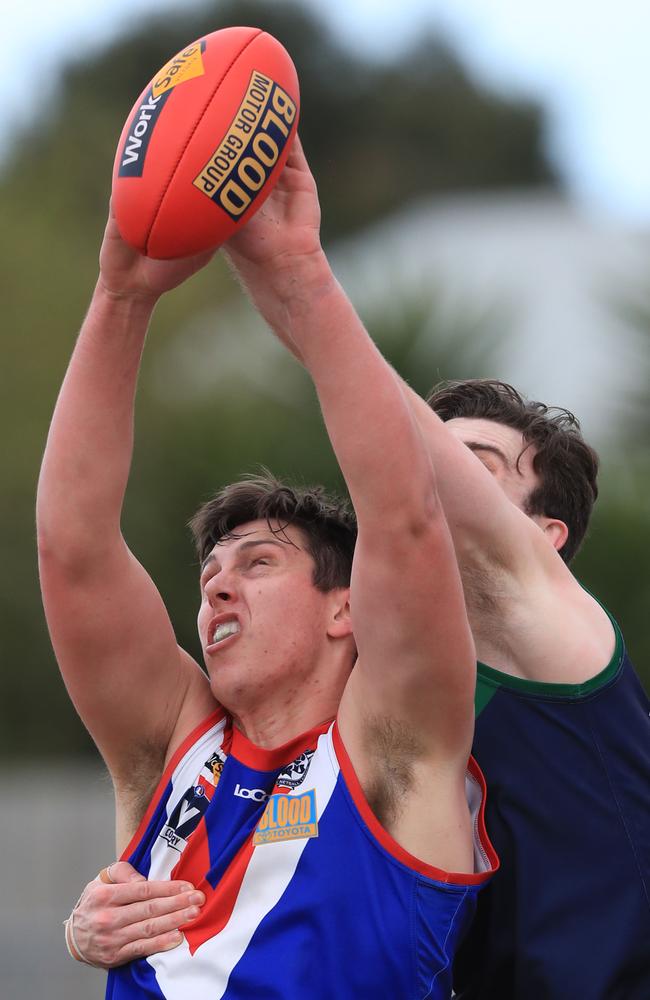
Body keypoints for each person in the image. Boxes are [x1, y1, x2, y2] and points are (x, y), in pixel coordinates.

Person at [69, 251, 650, 994]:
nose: (433, 467)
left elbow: (408, 489)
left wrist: (288, 264)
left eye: (474, 462)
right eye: (437, 448)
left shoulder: (559, 638)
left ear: (548, 536)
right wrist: (98, 916)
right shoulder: (358, 698)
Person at [37, 137, 496, 999]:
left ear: (344, 609)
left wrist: (301, 273)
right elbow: (73, 549)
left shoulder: (392, 748)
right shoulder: (173, 748)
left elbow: (404, 521)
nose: (216, 583)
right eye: (212, 568)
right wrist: (122, 293)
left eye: (259, 562)